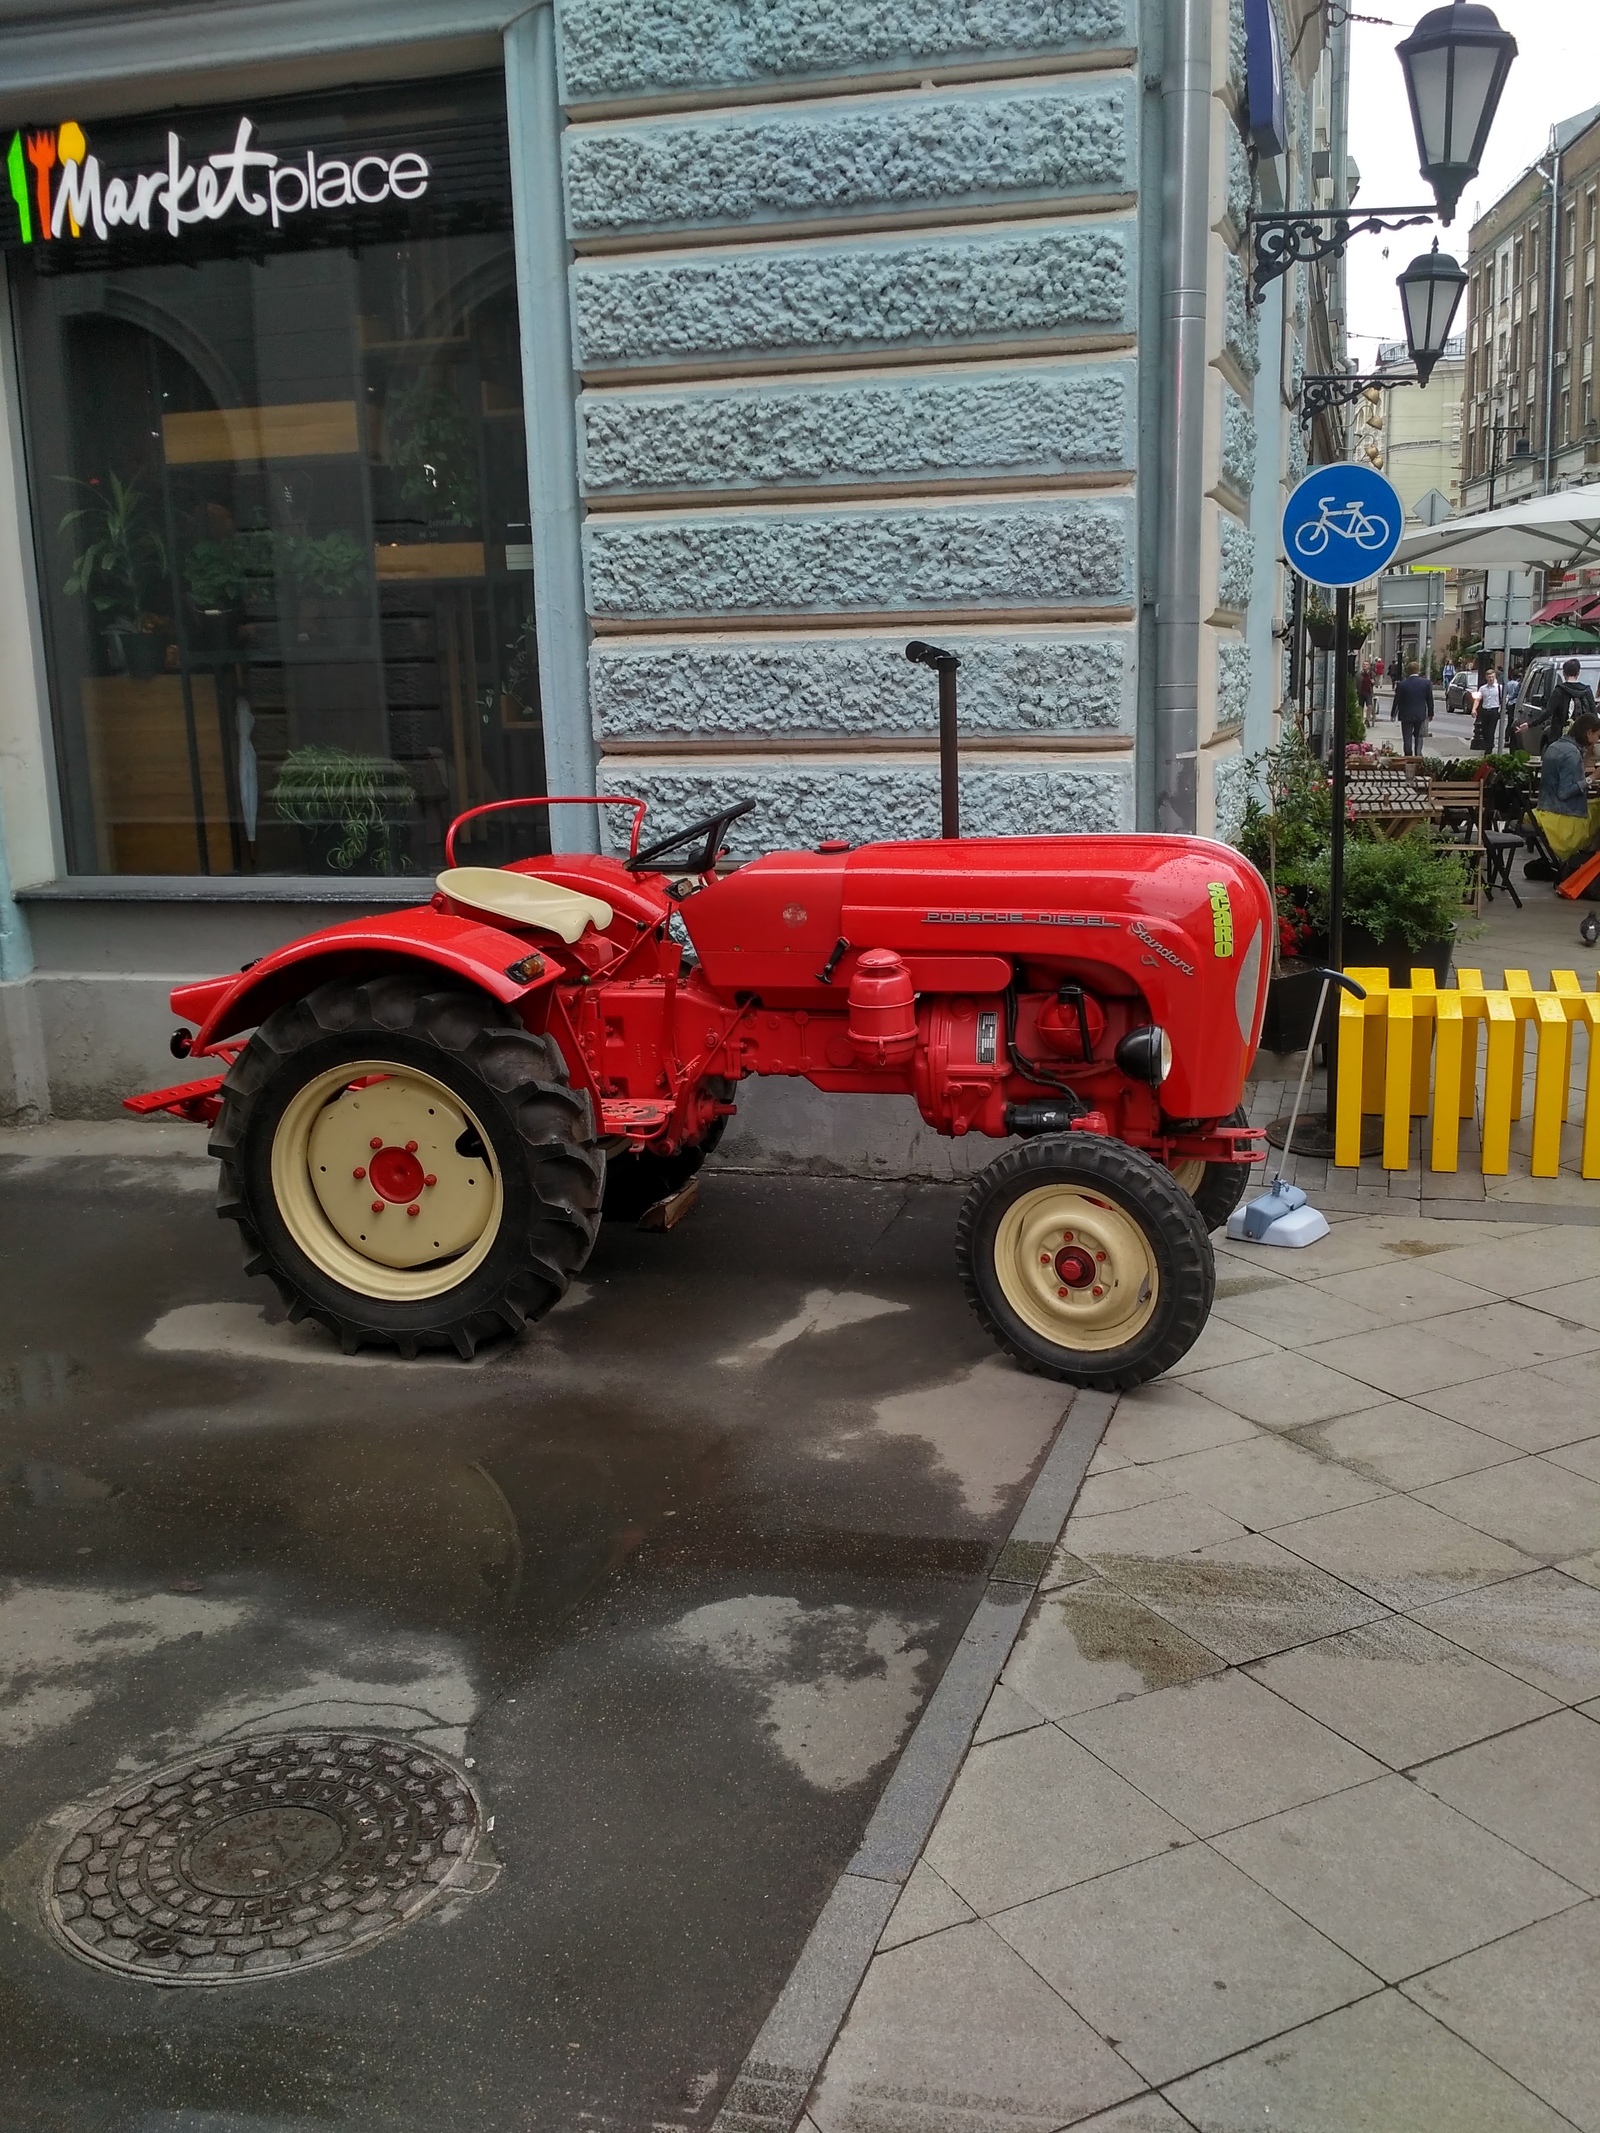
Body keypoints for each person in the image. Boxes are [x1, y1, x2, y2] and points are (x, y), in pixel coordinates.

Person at [1535, 708, 1600, 865]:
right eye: (1597, 736)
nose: (1597, 741)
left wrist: (1587, 757)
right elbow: (1565, 792)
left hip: (1546, 805)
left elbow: (1569, 775)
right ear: (1589, 733)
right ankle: (1585, 862)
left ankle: (1582, 862)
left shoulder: (1557, 746)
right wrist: (1593, 778)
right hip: (1564, 812)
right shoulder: (1571, 754)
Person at [1544, 658, 1596, 750]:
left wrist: (1529, 724)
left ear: (1564, 673)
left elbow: (1548, 712)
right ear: (1578, 673)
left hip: (1559, 738)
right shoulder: (1587, 691)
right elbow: (1593, 714)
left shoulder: (1559, 691)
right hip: (1582, 739)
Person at [1393, 660, 1433, 758]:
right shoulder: (1426, 683)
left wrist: (1393, 713)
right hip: (1420, 714)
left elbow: (1397, 700)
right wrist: (1430, 713)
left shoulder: (1402, 684)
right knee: (1419, 735)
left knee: (1407, 736)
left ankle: (1408, 755)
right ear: (1418, 670)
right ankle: (1418, 753)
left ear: (1408, 671)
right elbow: (1429, 700)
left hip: (1406, 714)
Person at [1471, 664, 1503, 752]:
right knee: (1484, 731)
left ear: (1495, 677)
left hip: (1494, 711)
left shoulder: (1499, 688)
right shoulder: (1482, 688)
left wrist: (1502, 709)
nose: (1491, 679)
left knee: (1491, 731)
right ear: (1486, 678)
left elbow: (1504, 699)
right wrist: (1474, 709)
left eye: (1492, 677)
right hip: (1485, 711)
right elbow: (1477, 699)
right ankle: (1489, 744)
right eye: (1489, 677)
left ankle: (1488, 750)